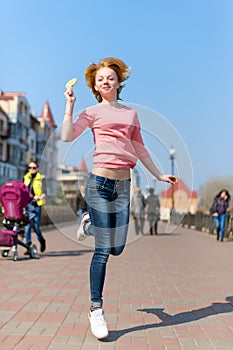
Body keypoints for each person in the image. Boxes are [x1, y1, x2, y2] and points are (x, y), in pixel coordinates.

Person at [62, 57, 177, 339]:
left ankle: (89, 220)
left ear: (118, 82)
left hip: (123, 187)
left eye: (110, 78)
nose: (105, 82)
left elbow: (140, 149)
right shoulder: (90, 113)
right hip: (99, 184)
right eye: (100, 79)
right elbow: (66, 136)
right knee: (102, 250)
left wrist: (160, 175)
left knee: (117, 249)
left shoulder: (130, 115)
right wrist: (69, 105)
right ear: (95, 86)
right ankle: (96, 309)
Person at [23, 161, 46, 253]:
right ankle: (28, 246)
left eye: (34, 168)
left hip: (36, 205)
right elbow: (23, 190)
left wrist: (39, 197)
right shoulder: (25, 177)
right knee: (27, 226)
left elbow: (45, 192)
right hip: (27, 205)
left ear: (37, 168)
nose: (31, 170)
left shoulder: (42, 178)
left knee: (36, 226)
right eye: (30, 168)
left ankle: (41, 240)